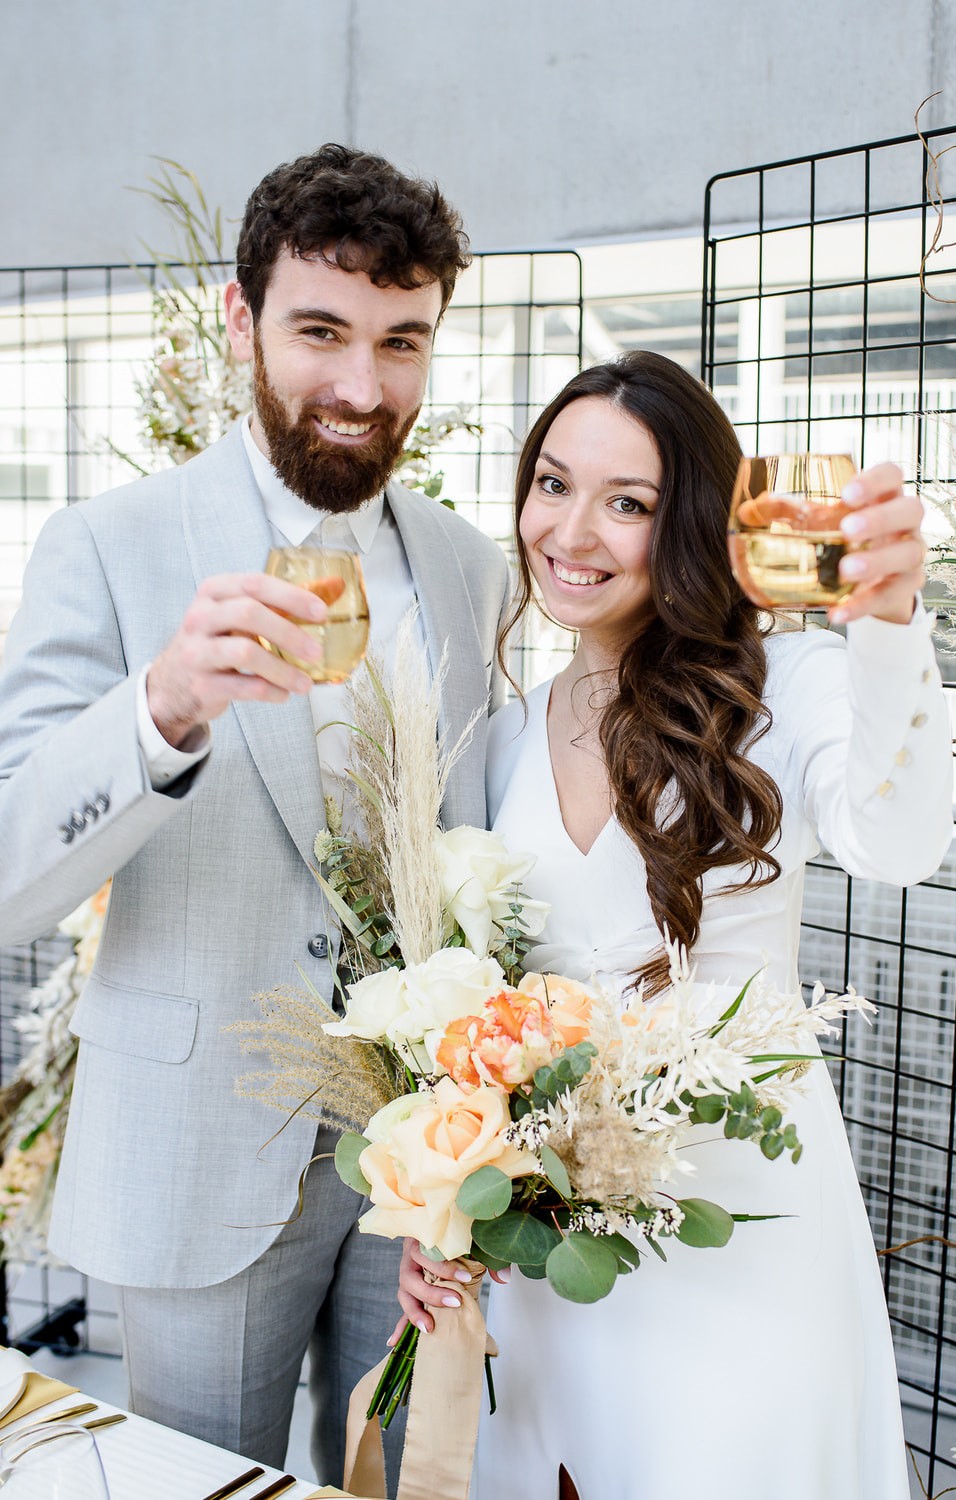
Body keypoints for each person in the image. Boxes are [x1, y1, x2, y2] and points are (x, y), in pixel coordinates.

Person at [0, 143, 509, 1485]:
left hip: (425, 1166)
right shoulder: (109, 546)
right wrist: (161, 707)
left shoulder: (471, 568)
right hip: (200, 1150)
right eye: (322, 331)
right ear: (240, 320)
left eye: (403, 342)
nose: (362, 386)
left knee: (400, 1477)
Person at [396, 351, 954, 1498]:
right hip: (556, 1255)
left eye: (628, 504)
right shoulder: (500, 737)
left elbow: (896, 846)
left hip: (740, 1226)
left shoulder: (781, 685)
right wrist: (444, 1208)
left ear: (692, 520)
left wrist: (890, 624)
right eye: (551, 484)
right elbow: (483, 1027)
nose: (572, 530)